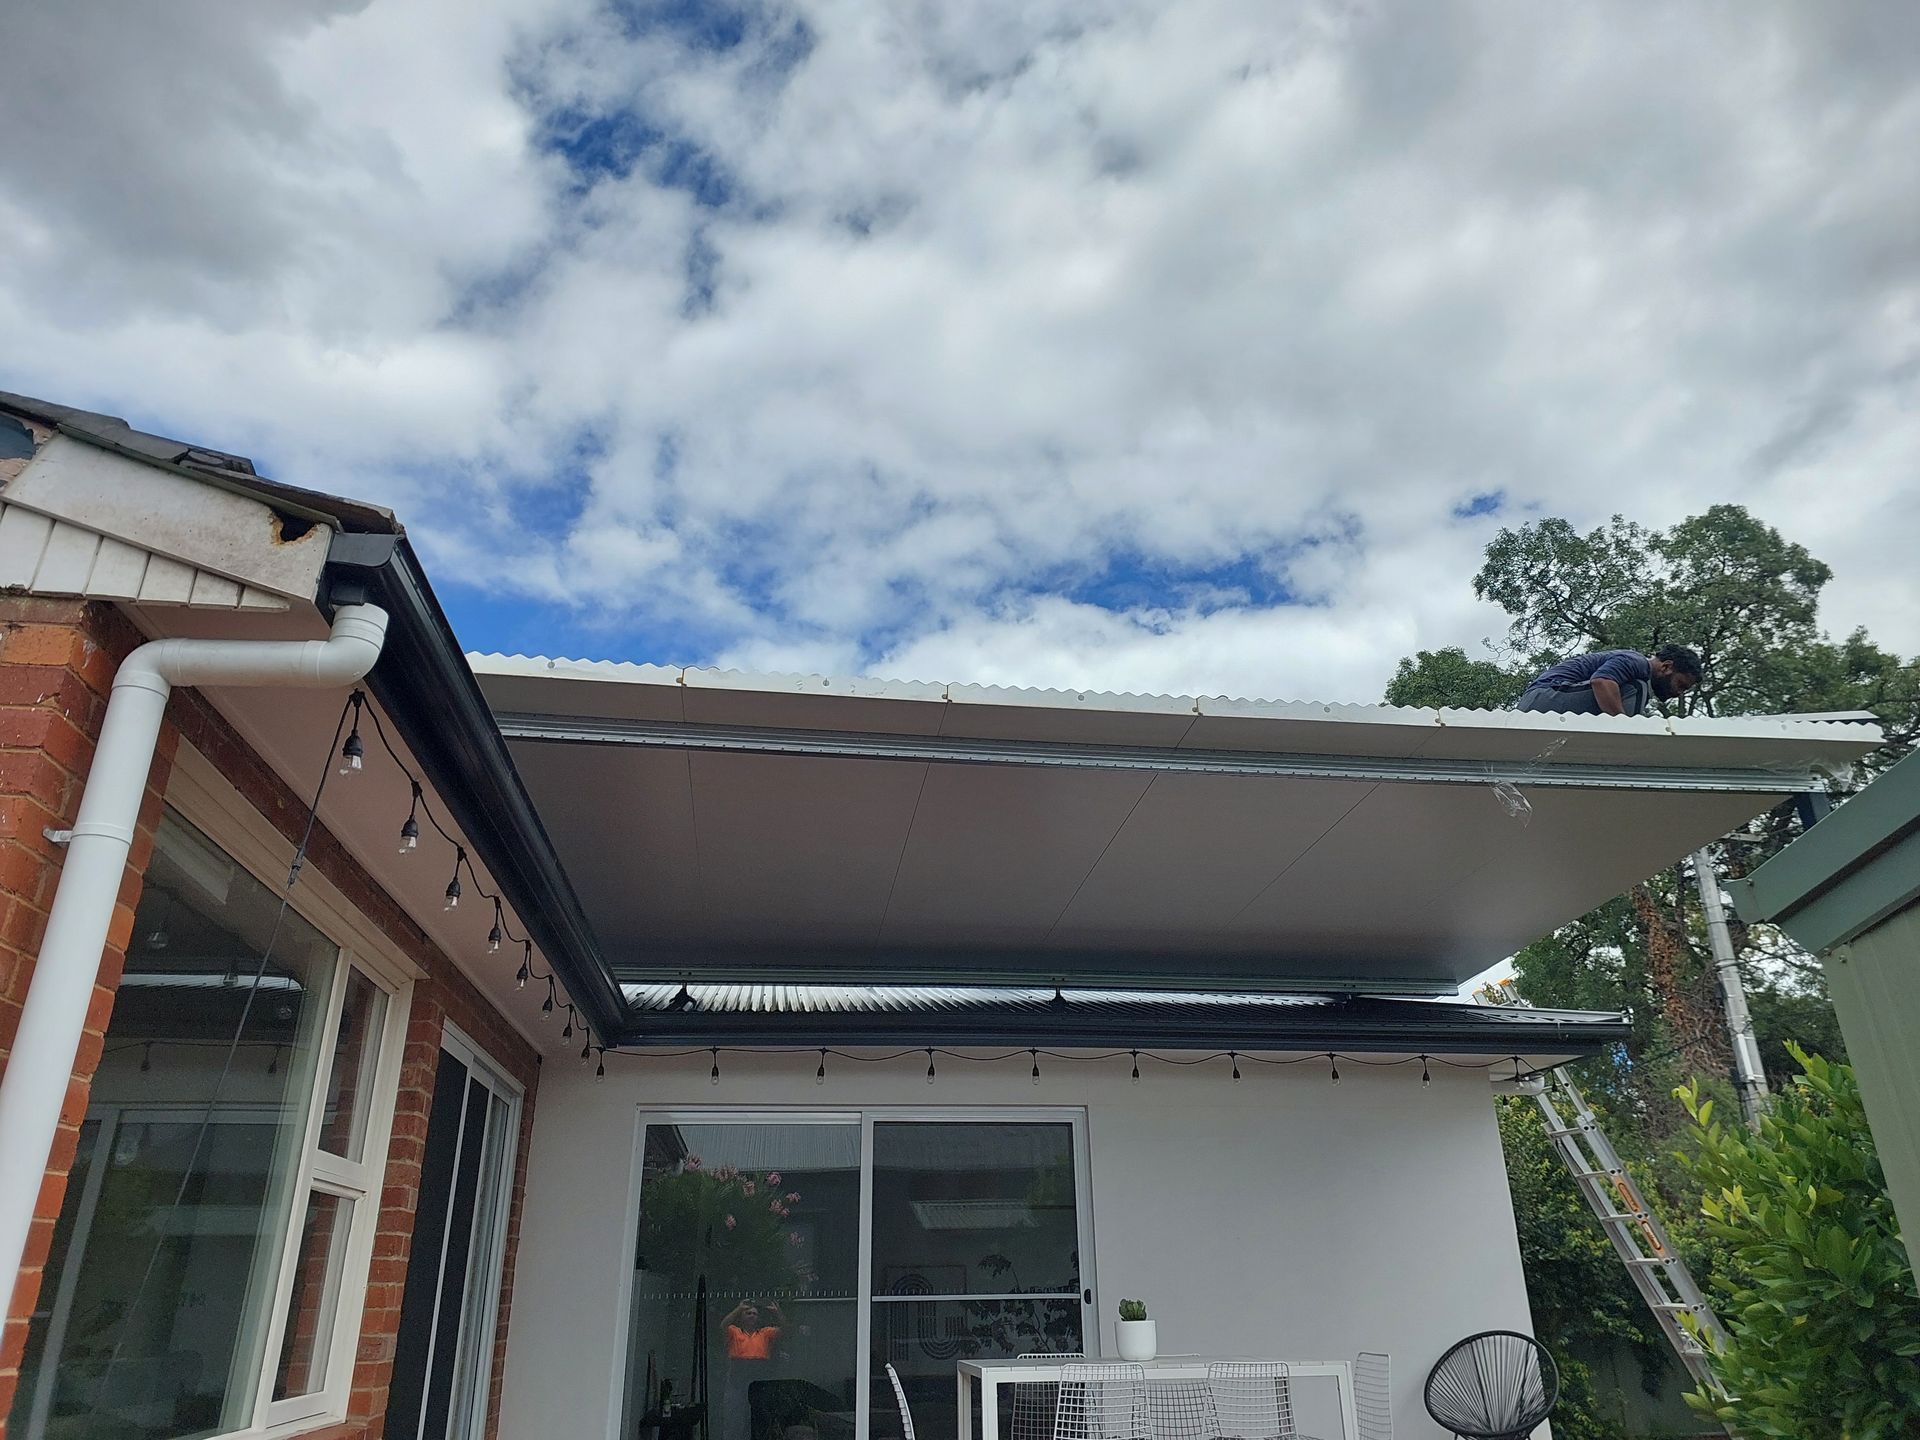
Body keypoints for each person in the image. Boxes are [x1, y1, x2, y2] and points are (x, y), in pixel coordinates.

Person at [1514, 644, 1702, 717]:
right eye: (1681, 685)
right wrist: (1624, 727)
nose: (1679, 693)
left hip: (1541, 702)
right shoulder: (1637, 663)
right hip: (1543, 698)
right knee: (1638, 690)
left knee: (1644, 716)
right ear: (1667, 667)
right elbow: (1602, 681)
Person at [720, 1300, 783, 1440]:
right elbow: (724, 1325)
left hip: (758, 1381)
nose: (752, 1315)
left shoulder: (765, 1333)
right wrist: (739, 1308)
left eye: (754, 1313)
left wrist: (777, 1312)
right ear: (741, 1317)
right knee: (734, 1419)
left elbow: (785, 1331)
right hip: (737, 1380)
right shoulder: (735, 1332)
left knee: (758, 1417)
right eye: (748, 1313)